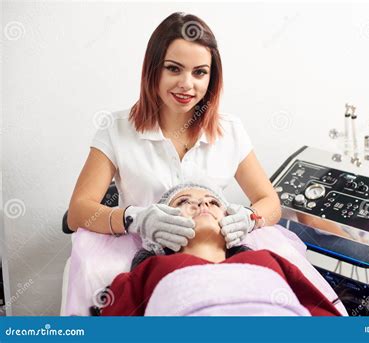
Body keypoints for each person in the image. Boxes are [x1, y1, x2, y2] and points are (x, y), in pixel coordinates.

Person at [67, 12, 281, 253]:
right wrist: (136, 219)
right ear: (153, 70)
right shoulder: (117, 129)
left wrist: (249, 218)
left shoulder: (230, 130)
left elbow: (271, 203)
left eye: (199, 72)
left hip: (211, 257)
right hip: (143, 257)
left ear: (212, 77)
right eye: (174, 69)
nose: (187, 84)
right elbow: (78, 211)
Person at [95, 182, 341, 316]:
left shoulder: (267, 260)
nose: (202, 203)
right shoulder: (149, 271)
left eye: (213, 202)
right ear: (160, 231)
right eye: (183, 202)